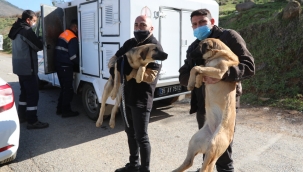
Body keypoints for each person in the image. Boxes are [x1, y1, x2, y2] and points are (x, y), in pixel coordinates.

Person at [179, 9, 255, 172]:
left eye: (202, 22)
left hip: (224, 107)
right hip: (203, 106)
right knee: (207, 153)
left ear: (212, 22)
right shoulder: (194, 47)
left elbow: (248, 66)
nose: (198, 26)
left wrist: (224, 75)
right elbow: (184, 73)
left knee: (223, 158)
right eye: (194, 24)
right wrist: (194, 81)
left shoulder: (229, 37)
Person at [112, 15, 163, 172]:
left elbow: (149, 77)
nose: (139, 28)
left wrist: (128, 70)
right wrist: (115, 65)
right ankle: (134, 165)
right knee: (129, 132)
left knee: (141, 136)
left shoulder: (155, 47)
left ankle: (144, 169)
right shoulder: (130, 43)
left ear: (151, 28)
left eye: (143, 25)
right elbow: (117, 57)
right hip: (127, 95)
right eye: (136, 24)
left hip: (142, 97)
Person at [8, 10, 49, 129]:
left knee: (25, 93)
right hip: (28, 68)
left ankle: (22, 116)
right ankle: (32, 121)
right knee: (33, 94)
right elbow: (38, 46)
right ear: (28, 20)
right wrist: (41, 39)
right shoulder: (26, 30)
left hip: (19, 67)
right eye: (34, 21)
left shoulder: (16, 29)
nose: (34, 23)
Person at [55, 19, 80, 118]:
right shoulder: (72, 37)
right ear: (75, 27)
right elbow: (73, 56)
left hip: (59, 65)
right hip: (65, 66)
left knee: (64, 88)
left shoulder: (63, 34)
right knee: (68, 89)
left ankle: (59, 109)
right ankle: (66, 111)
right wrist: (81, 65)